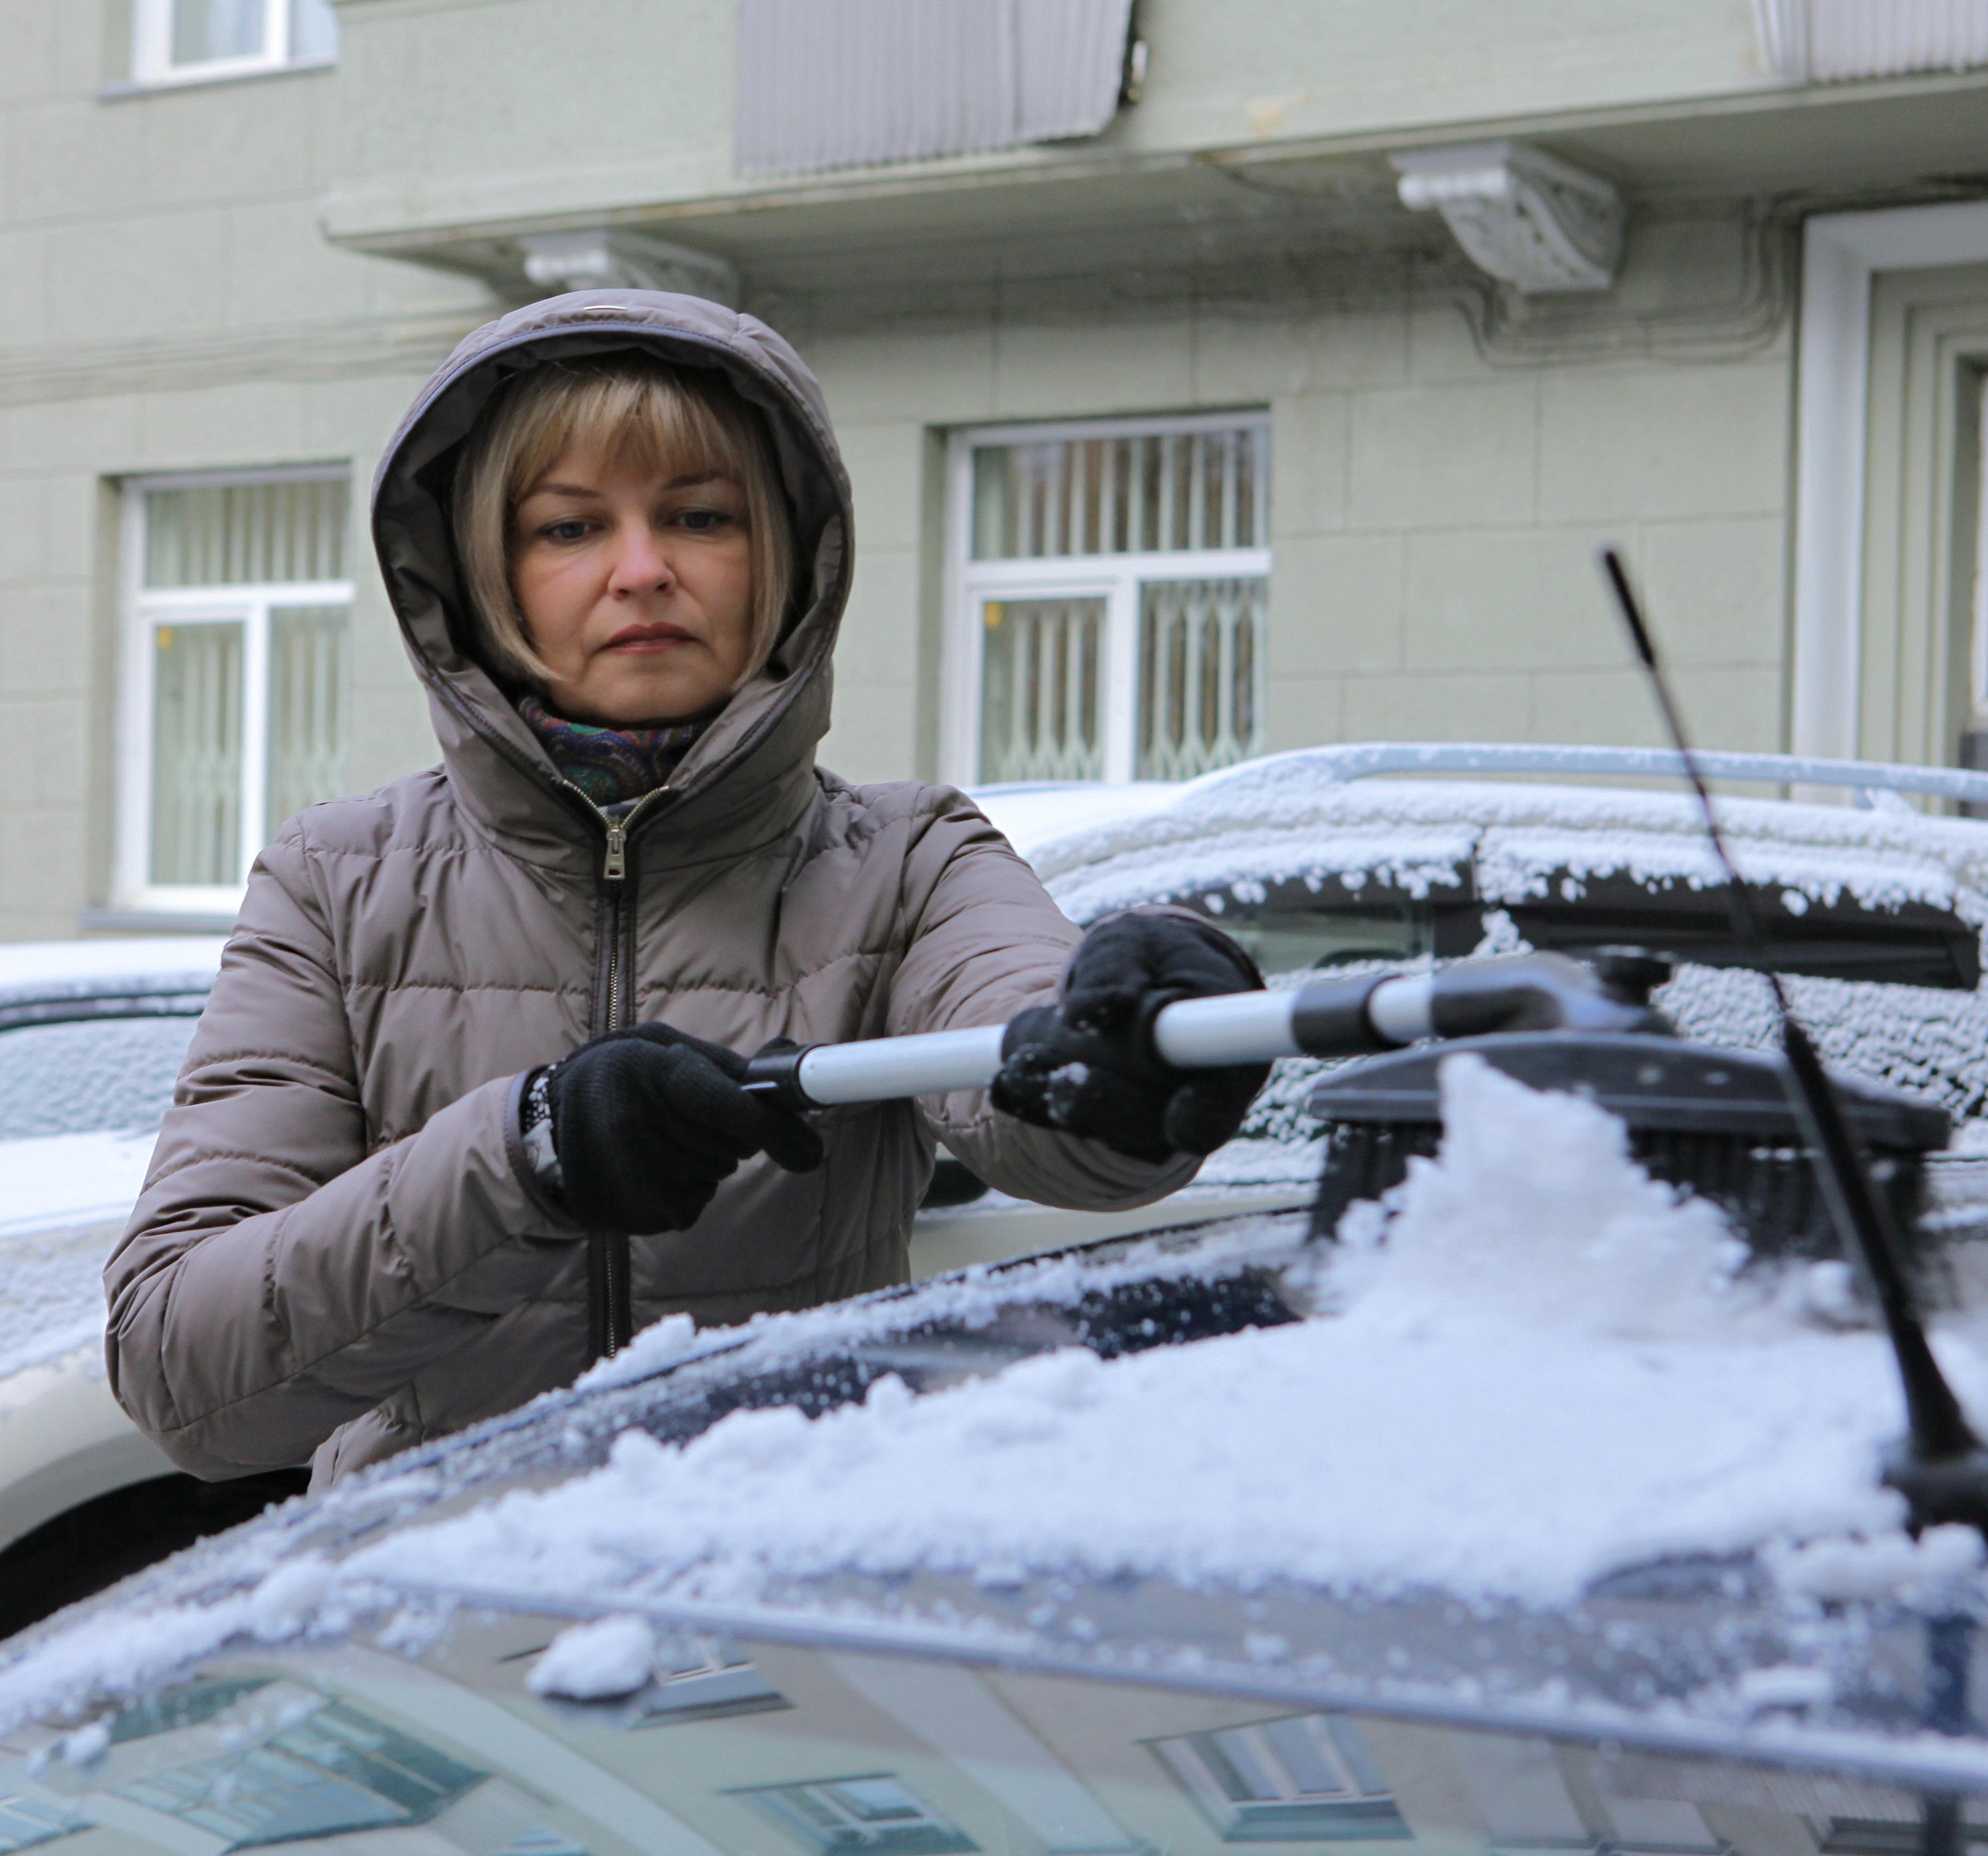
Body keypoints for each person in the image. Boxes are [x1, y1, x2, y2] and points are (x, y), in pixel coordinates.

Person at [103, 292, 1269, 1488]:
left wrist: (1134, 1035)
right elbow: (188, 1381)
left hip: (783, 1619)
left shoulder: (904, 859)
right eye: (567, 529)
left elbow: (1030, 1067)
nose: (642, 571)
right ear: (477, 572)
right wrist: (529, 1154)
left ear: (784, 558)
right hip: (434, 1630)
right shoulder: (338, 884)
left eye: (700, 516)